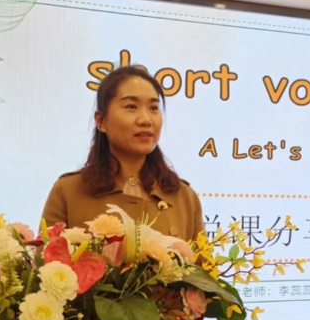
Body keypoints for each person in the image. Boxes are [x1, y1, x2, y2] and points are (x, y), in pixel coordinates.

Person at [41, 66, 204, 241]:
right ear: (101, 121)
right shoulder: (68, 191)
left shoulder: (185, 198)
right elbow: (48, 257)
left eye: (154, 108)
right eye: (131, 107)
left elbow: (202, 259)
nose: (146, 120)